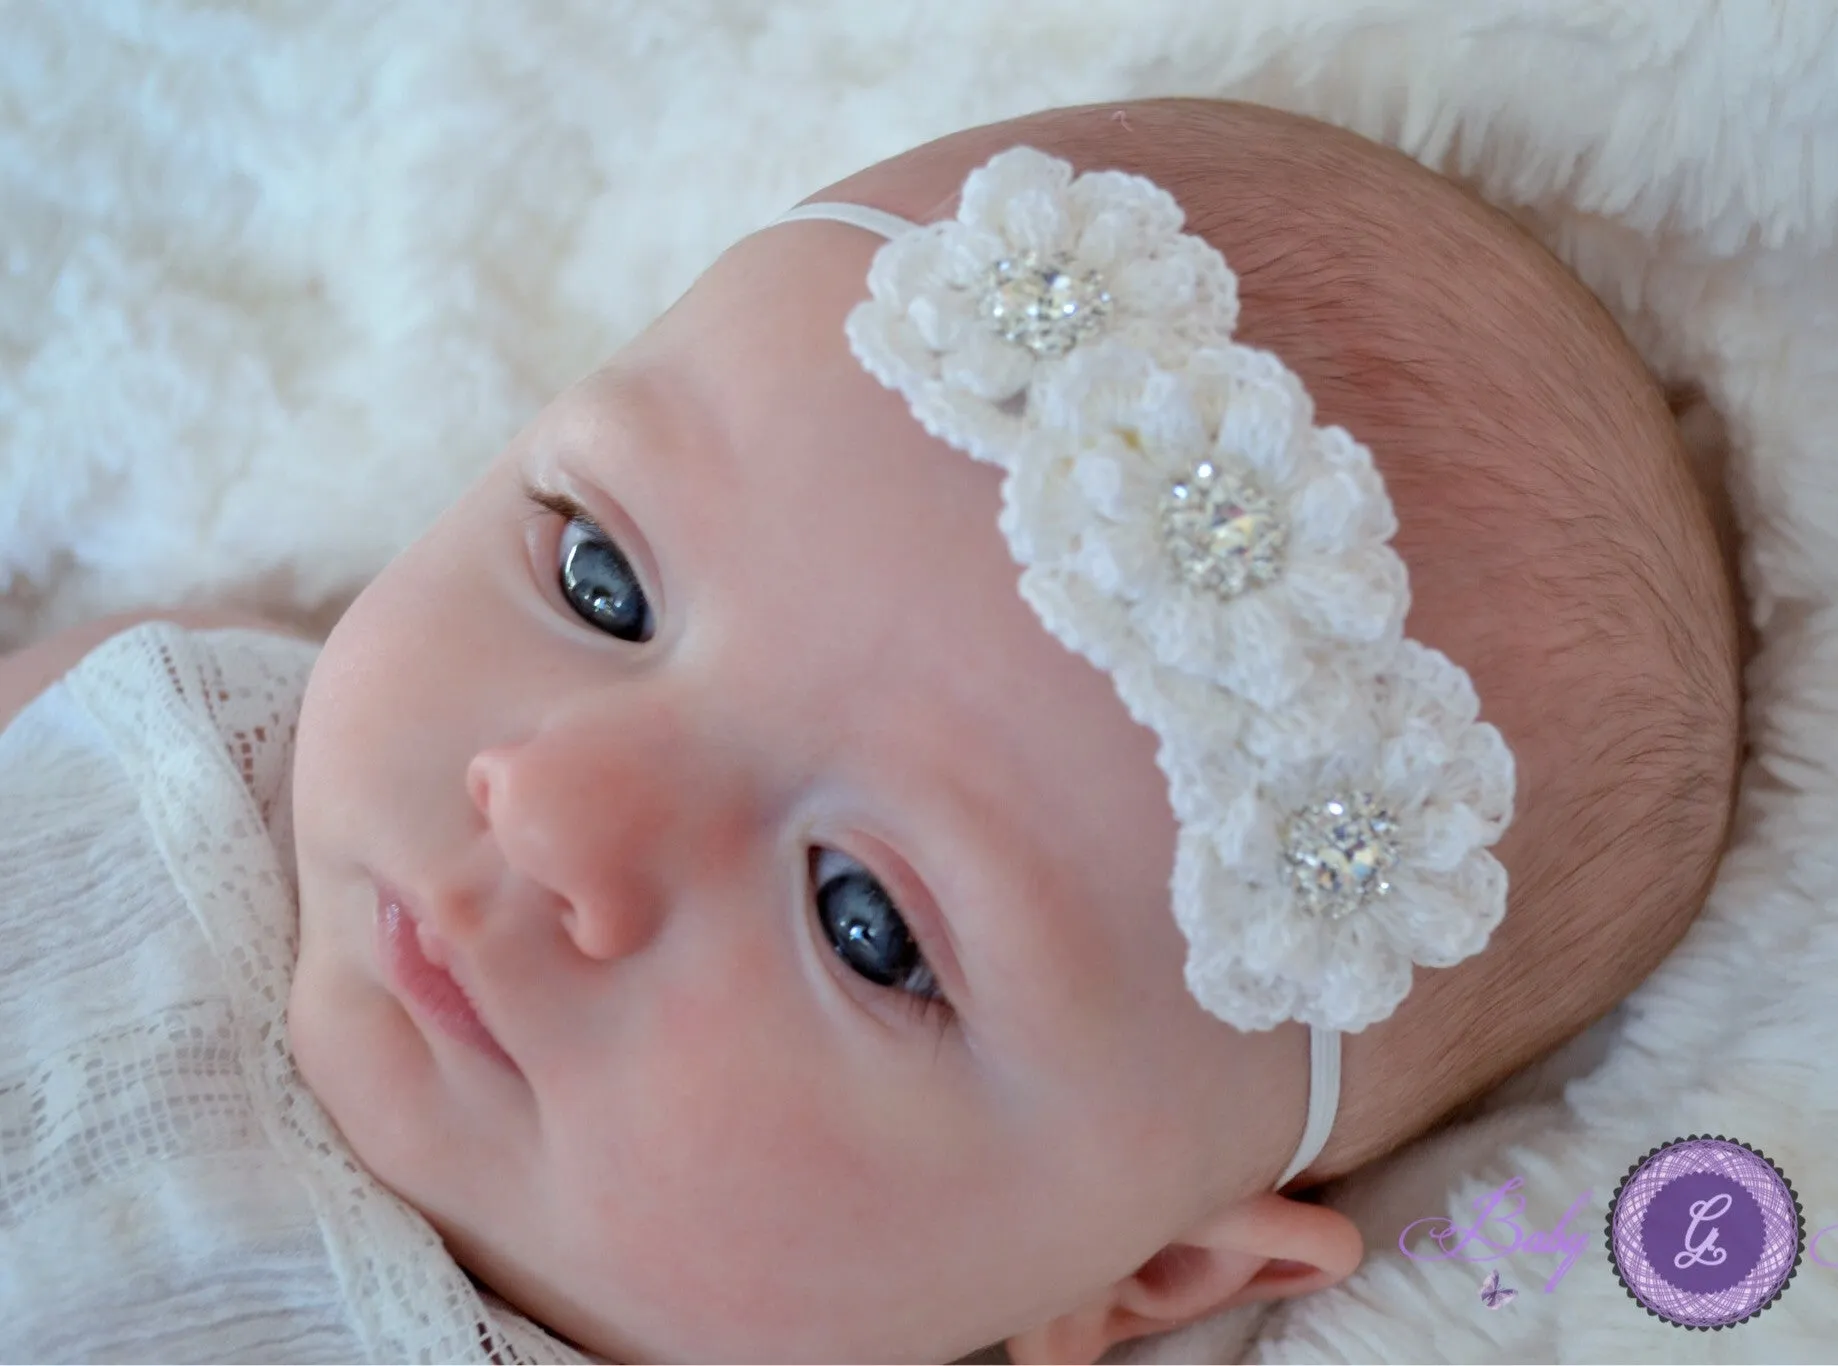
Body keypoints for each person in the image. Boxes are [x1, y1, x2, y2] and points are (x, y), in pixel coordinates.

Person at [0, 97, 1742, 1363]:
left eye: (865, 922)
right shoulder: (164, 739)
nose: (552, 809)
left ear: (1136, 1282)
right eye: (601, 579)